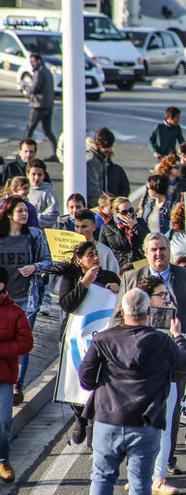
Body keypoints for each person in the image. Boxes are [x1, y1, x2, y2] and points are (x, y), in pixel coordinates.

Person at [79, 288, 186, 495]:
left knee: (101, 477)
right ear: (148, 312)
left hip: (108, 418)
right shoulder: (162, 340)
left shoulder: (103, 339)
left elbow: (86, 380)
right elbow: (185, 363)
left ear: (122, 312)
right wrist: (178, 336)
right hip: (145, 421)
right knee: (140, 482)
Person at [119, 232, 186, 469]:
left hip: (178, 353)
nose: (159, 253)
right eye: (154, 250)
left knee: (172, 409)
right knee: (141, 410)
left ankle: (167, 459)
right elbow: (119, 317)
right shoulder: (132, 277)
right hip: (142, 358)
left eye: (163, 249)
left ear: (170, 251)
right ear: (146, 253)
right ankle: (140, 461)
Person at [55, 241, 121, 444]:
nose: (95, 258)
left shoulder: (109, 276)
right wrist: (84, 283)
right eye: (90, 255)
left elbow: (120, 305)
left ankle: (93, 427)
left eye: (96, 254)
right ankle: (80, 417)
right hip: (75, 338)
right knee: (77, 378)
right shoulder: (72, 277)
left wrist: (118, 289)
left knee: (99, 382)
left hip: (101, 337)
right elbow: (67, 304)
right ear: (79, 260)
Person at [0, 196, 50, 403]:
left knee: (21, 341)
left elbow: (49, 261)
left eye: (26, 211)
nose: (25, 214)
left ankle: (16, 385)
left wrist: (35, 267)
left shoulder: (34, 235)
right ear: (10, 214)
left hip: (27, 299)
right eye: (20, 211)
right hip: (4, 300)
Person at [0, 267, 33, 483]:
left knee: (3, 420)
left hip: (4, 376)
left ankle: (2, 459)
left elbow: (26, 343)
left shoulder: (16, 312)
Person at [23, 54, 58, 161]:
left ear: (39, 61)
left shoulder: (39, 73)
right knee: (48, 130)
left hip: (38, 106)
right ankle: (56, 152)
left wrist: (26, 86)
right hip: (48, 105)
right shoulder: (47, 71)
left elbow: (34, 88)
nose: (32, 64)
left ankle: (24, 152)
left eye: (33, 62)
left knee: (29, 129)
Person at [99, 197, 148, 272]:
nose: (129, 214)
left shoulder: (140, 222)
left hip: (141, 264)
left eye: (131, 210)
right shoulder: (107, 228)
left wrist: (136, 226)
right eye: (124, 212)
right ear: (116, 213)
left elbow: (150, 241)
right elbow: (102, 251)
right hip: (120, 268)